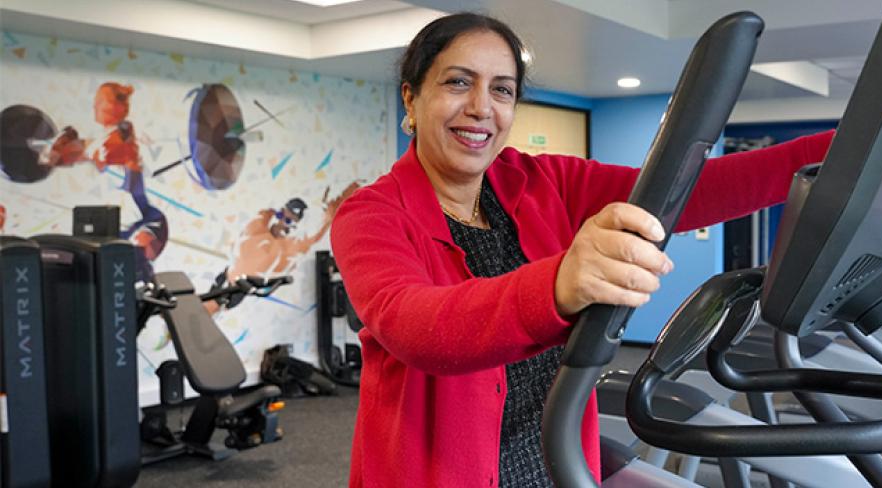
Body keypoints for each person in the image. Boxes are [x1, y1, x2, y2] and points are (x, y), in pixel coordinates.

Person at [330, 12, 835, 488]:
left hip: (554, 460)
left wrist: (844, 153)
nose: (482, 107)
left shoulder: (544, 181)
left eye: (501, 90)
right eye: (458, 82)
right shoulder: (371, 216)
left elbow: (691, 191)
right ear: (411, 101)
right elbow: (418, 327)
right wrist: (557, 285)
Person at [205, 184, 357, 314]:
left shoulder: (288, 248)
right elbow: (264, 210)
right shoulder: (258, 228)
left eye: (289, 220)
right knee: (201, 311)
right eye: (281, 215)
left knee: (205, 313)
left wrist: (330, 214)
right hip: (225, 278)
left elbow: (315, 236)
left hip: (237, 290)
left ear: (295, 225)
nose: (283, 222)